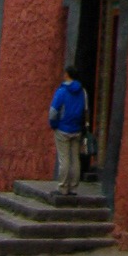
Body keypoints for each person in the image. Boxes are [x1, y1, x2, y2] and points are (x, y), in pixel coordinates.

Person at [48, 65, 88, 197]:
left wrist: (54, 124)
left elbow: (53, 111)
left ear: (66, 74)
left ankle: (63, 187)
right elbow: (86, 111)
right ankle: (74, 187)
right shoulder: (83, 92)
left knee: (64, 158)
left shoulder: (62, 91)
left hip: (63, 128)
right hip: (77, 129)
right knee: (75, 158)